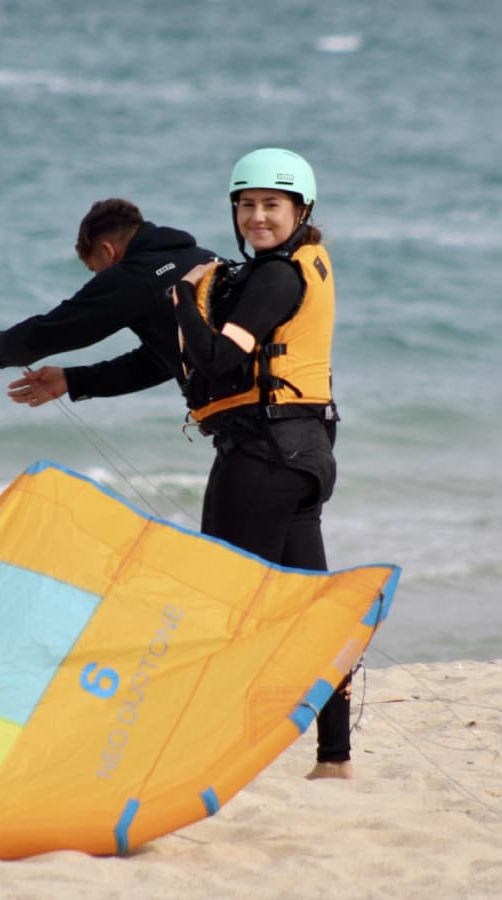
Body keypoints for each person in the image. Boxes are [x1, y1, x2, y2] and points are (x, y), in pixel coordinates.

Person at [171, 147, 354, 779]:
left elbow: (220, 364)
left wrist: (183, 305)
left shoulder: (277, 276)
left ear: (301, 210)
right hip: (306, 455)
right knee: (313, 608)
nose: (257, 218)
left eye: (271, 206)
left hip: (263, 457)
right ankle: (334, 758)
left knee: (222, 601)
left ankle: (207, 752)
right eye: (246, 206)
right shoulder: (303, 265)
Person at [0, 199, 215, 405]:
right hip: (246, 401)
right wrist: (71, 380)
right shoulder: (204, 258)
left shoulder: (135, 275)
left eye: (96, 271)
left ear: (107, 251)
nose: (99, 280)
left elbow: (63, 327)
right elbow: (159, 362)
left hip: (241, 422)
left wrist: (0, 348)